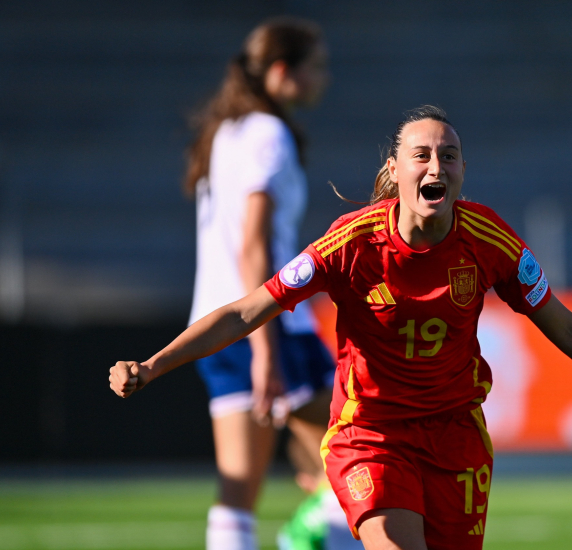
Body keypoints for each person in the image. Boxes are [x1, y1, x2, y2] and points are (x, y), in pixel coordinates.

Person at [112, 105, 572, 550]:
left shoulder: (492, 242)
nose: (436, 165)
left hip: (456, 436)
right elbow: (245, 312)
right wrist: (152, 365)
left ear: (463, 170)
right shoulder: (351, 243)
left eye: (449, 155)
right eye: (422, 154)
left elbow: (564, 328)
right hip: (371, 433)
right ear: (395, 170)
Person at [181, 17, 354, 550]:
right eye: (315, 67)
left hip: (213, 325)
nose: (323, 78)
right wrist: (266, 348)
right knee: (356, 458)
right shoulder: (267, 134)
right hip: (268, 324)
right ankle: (309, 538)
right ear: (282, 72)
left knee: (238, 489)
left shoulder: (226, 132)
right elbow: (252, 243)